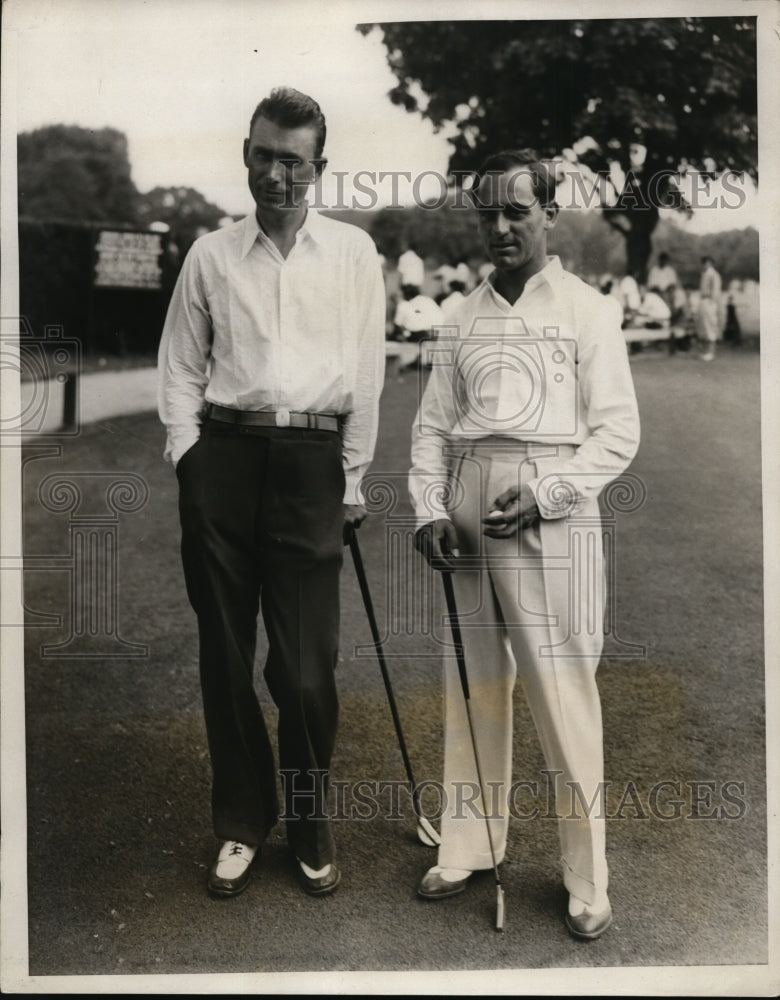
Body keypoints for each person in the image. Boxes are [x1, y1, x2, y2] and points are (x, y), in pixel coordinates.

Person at [158, 87, 386, 900]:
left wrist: (352, 476)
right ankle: (240, 822)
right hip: (222, 459)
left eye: (293, 159)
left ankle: (308, 818)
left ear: (317, 168)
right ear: (245, 154)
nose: (276, 172)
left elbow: (365, 371)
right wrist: (190, 462)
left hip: (312, 467)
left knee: (303, 671)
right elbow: (182, 368)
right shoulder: (211, 254)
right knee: (224, 658)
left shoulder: (355, 255)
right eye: (264, 154)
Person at [409, 148, 640, 940]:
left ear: (550, 213)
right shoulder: (457, 316)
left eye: (517, 211)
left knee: (564, 692)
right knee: (473, 687)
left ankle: (586, 878)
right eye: (489, 214)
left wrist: (547, 494)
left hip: (548, 510)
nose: (501, 227)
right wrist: (429, 509)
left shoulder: (587, 308)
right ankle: (470, 842)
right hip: (470, 503)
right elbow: (433, 428)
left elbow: (617, 434)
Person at [392, 283, 444, 375]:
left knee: (404, 333)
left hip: (426, 333)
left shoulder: (407, 304)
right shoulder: (427, 300)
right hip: (440, 331)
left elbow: (399, 324)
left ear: (406, 294)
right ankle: (425, 358)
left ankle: (417, 358)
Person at [696, 256, 722, 361]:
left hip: (709, 301)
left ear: (711, 263)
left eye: (707, 263)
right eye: (704, 263)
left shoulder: (713, 274)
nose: (705, 265)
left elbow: (715, 290)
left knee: (710, 325)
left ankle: (711, 352)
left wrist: (712, 301)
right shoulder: (704, 274)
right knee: (703, 326)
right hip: (703, 300)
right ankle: (705, 351)